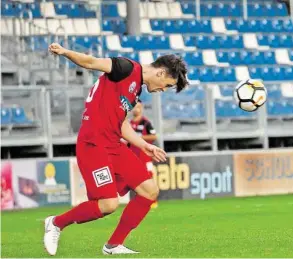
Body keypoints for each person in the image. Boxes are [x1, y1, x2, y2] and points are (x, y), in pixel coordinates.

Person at [43, 43, 188, 255]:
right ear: (161, 72)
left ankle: (113, 245)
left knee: (150, 191)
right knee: (108, 204)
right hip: (94, 144)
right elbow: (92, 62)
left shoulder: (136, 88)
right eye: (166, 85)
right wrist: (66, 52)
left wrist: (144, 144)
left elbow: (121, 123)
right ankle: (56, 223)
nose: (162, 90)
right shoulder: (126, 68)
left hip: (114, 144)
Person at [127, 101, 159, 209]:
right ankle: (141, 200)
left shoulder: (146, 123)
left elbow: (153, 136)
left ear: (142, 108)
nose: (137, 109)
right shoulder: (129, 124)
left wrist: (138, 138)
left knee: (149, 177)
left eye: (139, 106)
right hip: (133, 157)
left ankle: (153, 201)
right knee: (136, 180)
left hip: (145, 158)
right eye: (135, 107)